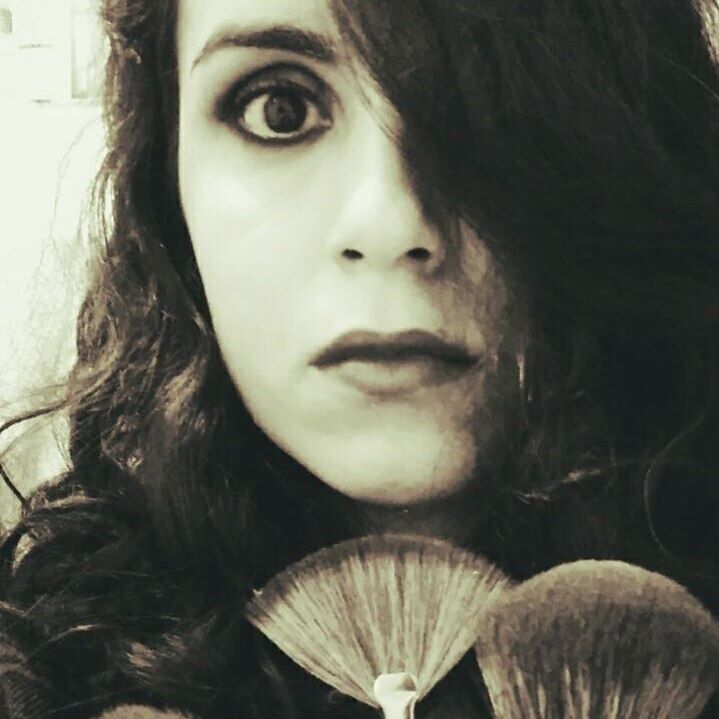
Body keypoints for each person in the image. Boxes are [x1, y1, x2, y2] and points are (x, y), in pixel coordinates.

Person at [0, 0, 717, 717]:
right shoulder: (42, 670)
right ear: (168, 186)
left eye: (487, 105)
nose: (389, 222)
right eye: (279, 110)